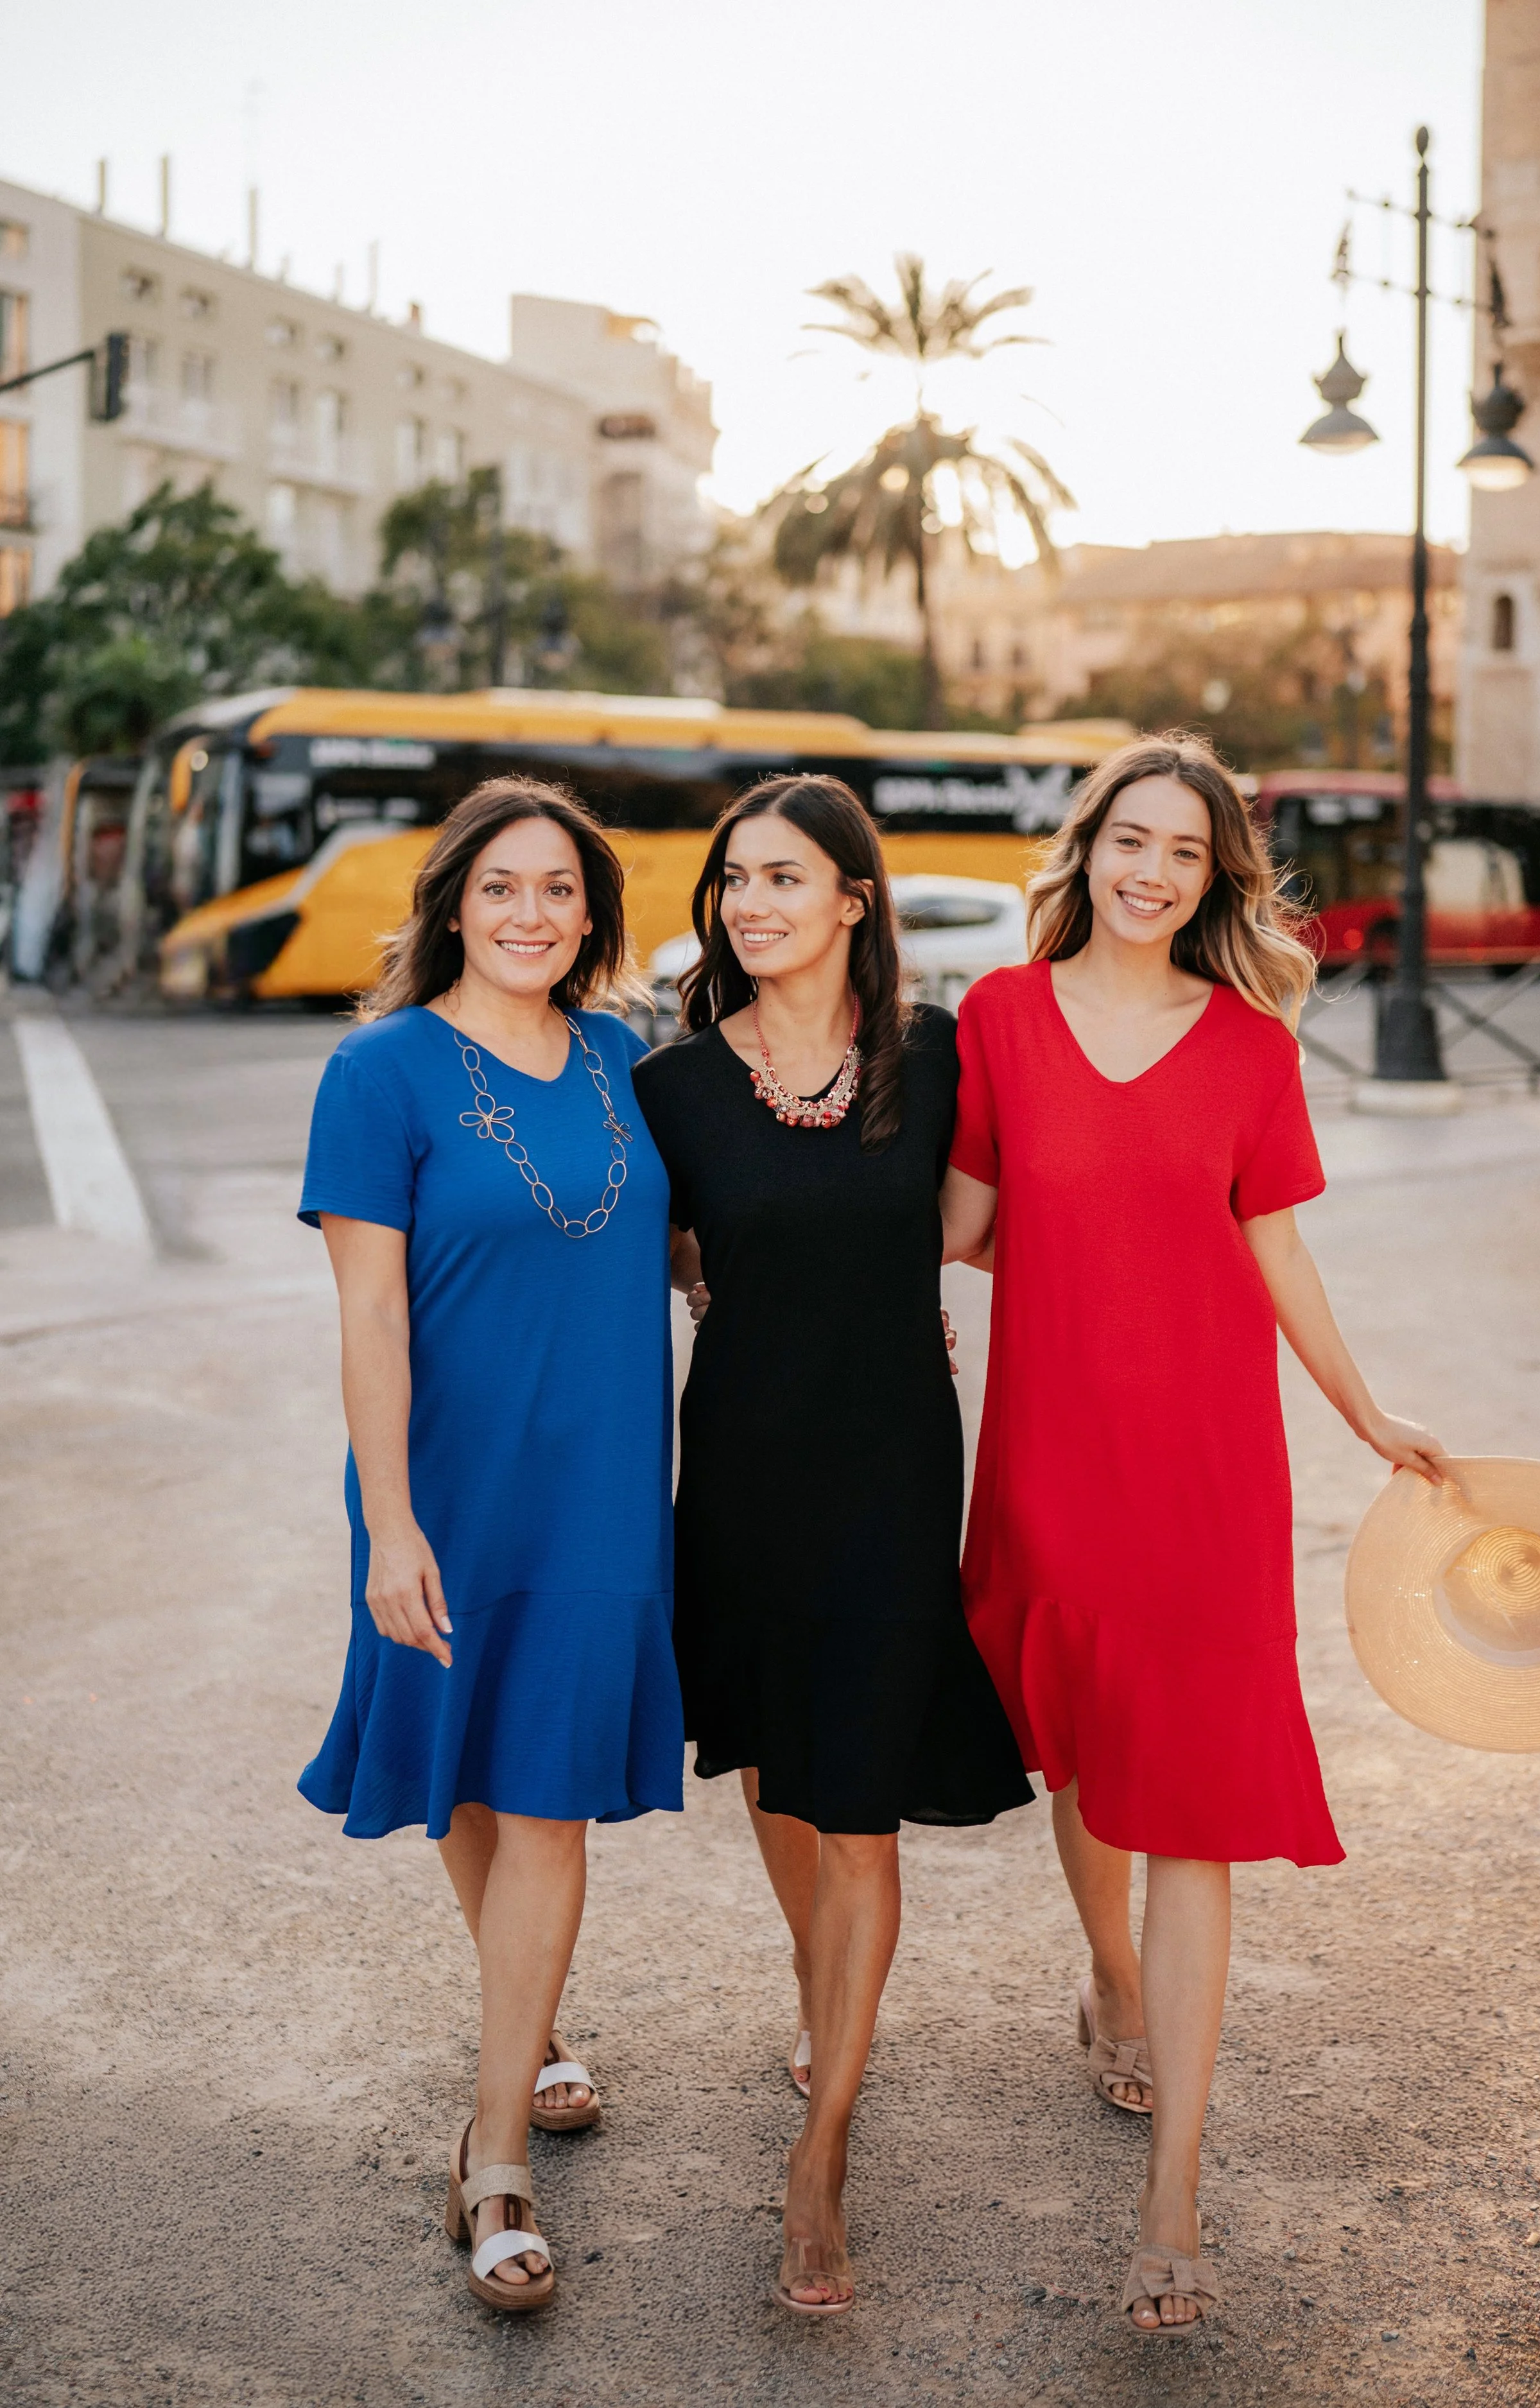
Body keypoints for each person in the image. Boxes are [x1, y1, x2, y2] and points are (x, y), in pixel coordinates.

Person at [939, 734, 1447, 2337]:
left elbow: (1272, 1253)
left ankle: (1172, 2201)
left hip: (1208, 1473)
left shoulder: (1247, 1046)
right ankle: (1107, 1976)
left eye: (1183, 853)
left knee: (1192, 1808)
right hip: (1047, 1459)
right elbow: (953, 1231)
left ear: (1213, 877)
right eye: (1127, 841)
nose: (1150, 873)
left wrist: (1367, 1416)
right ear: (1083, 849)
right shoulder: (999, 1022)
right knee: (1077, 1748)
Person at [632, 774, 1032, 2317]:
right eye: (735, 880)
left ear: (855, 900)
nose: (751, 904)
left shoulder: (933, 1061)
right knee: (776, 1768)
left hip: (886, 1475)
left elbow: (997, 1223)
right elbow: (654, 1247)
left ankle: (822, 2151)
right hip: (736, 1474)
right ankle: (826, 2005)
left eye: (787, 879)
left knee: (855, 1796)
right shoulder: (670, 1087)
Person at [297, 777, 682, 2312]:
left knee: (548, 1796)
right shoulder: (376, 1073)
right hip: (444, 1487)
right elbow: (369, 1313)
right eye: (503, 888)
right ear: (453, 901)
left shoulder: (621, 1057)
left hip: (601, 1493)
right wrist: (390, 1519)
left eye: (561, 892)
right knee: (470, 1769)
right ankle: (535, 2027)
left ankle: (497, 2145)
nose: (532, 915)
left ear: (592, 916)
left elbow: (680, 1238)